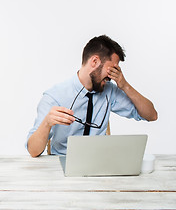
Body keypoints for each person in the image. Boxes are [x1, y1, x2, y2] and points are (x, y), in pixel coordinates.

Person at [26, 35, 158, 157]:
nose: (112, 76)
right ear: (94, 61)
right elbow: (33, 151)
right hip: (63, 164)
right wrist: (47, 122)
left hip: (99, 163)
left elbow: (151, 115)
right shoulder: (55, 96)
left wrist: (124, 85)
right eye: (112, 69)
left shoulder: (109, 91)